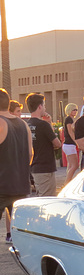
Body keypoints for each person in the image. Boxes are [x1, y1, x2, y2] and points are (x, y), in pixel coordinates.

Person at [0, 90, 32, 244]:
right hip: (20, 185)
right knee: (20, 238)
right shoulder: (23, 124)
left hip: (2, 185)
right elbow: (30, 155)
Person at [26, 93, 61, 197]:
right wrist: (49, 123)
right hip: (46, 167)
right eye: (44, 105)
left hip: (34, 167)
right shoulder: (43, 125)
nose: (45, 108)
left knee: (41, 195)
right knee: (47, 198)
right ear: (40, 106)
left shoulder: (27, 124)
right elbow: (57, 143)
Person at [62, 103, 80, 185]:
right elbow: (70, 132)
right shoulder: (69, 119)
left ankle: (67, 182)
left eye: (76, 109)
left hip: (68, 145)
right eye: (73, 109)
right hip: (69, 144)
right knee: (75, 165)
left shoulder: (71, 119)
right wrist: (77, 143)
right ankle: (67, 183)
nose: (75, 111)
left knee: (70, 166)